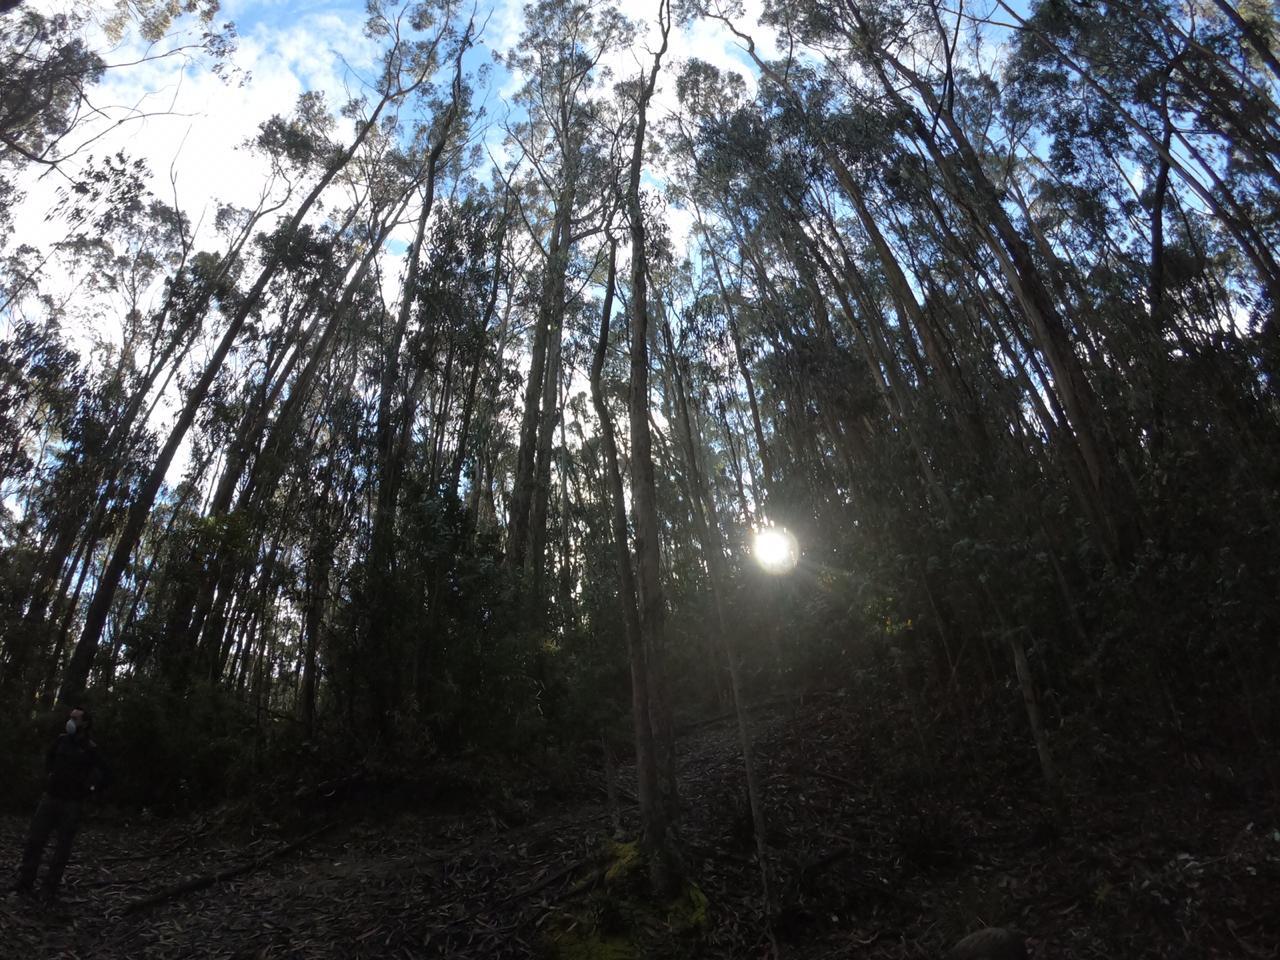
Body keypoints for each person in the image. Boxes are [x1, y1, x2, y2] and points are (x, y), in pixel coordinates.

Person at [11, 706, 111, 901]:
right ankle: (25, 882)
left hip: (72, 803)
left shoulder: (90, 748)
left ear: (85, 723)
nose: (71, 721)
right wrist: (50, 775)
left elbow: (106, 774)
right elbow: (49, 758)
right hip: (50, 797)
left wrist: (90, 790)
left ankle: (49, 888)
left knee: (62, 847)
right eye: (70, 717)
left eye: (75, 718)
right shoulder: (61, 740)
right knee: (35, 840)